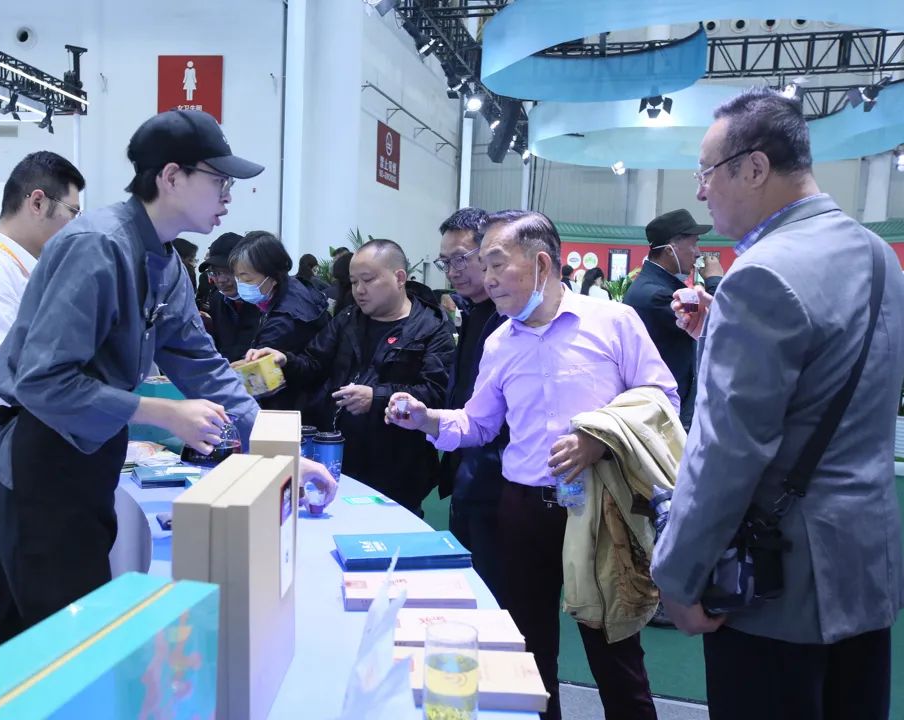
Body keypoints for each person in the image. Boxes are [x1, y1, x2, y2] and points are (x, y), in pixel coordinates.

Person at [0, 109, 297, 634]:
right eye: (219, 181)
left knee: (86, 630)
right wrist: (162, 412)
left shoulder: (165, 262)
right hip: (43, 465)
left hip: (92, 460)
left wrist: (278, 451)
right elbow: (42, 381)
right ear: (171, 176)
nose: (228, 196)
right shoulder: (97, 246)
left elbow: (201, 362)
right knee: (61, 644)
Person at [651, 87, 904, 720]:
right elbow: (835, 381)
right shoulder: (877, 255)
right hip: (865, 567)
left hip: (779, 583)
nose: (702, 193)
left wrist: (677, 576)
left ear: (755, 167)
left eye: (706, 173)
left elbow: (727, 452)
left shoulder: (761, 273)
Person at [385, 210, 679, 720]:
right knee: (528, 651)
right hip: (522, 509)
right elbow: (478, 424)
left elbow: (661, 397)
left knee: (615, 653)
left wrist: (599, 439)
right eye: (483, 265)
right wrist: (427, 418)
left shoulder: (612, 322)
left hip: (599, 506)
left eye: (497, 263)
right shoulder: (500, 342)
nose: (487, 278)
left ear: (542, 263)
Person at [0, 151, 85, 656]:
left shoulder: (23, 270)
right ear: (37, 201)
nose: (74, 225)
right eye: (71, 212)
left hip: (21, 454)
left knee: (32, 609)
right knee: (20, 616)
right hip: (1, 456)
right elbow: (3, 377)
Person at [246, 239, 455, 515]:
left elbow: (435, 393)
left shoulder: (431, 328)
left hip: (396, 467)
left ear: (399, 278)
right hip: (335, 457)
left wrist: (377, 397)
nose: (359, 290)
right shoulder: (348, 319)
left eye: (367, 280)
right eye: (354, 282)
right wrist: (285, 359)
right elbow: (314, 363)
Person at [433, 207, 506, 599]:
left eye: (461, 259)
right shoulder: (475, 311)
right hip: (468, 464)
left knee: (497, 590)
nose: (452, 271)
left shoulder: (509, 316)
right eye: (445, 262)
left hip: (499, 477)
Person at [623, 209, 711, 430]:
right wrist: (714, 280)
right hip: (667, 412)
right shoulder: (659, 295)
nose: (698, 253)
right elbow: (715, 324)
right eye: (694, 244)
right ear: (671, 249)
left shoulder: (657, 287)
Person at [229, 231, 330, 408]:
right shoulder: (293, 287)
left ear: (272, 276)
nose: (241, 285)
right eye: (237, 278)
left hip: (295, 403)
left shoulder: (284, 320)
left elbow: (257, 372)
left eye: (247, 279)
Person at [200, 231, 261, 363]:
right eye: (215, 273)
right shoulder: (217, 300)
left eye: (229, 271)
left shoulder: (264, 301)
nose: (221, 280)